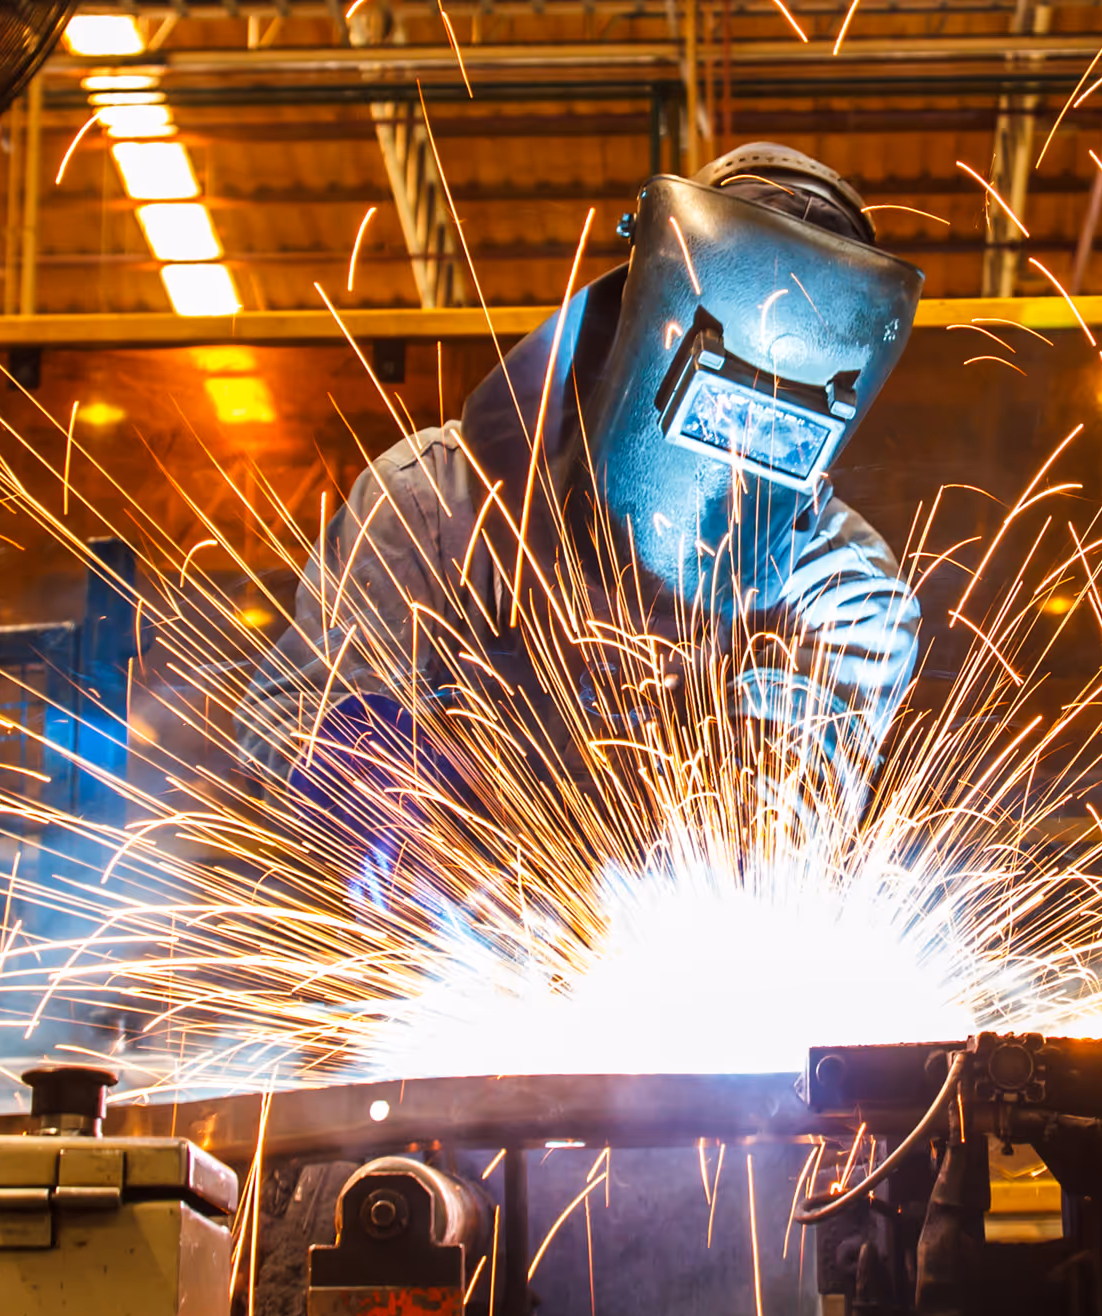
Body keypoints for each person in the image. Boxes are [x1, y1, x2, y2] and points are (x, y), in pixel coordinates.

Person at [236, 143, 926, 846]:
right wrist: (394, 801)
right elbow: (289, 718)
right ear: (646, 338)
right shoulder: (435, 502)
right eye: (721, 410)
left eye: (773, 431)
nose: (739, 441)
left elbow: (789, 798)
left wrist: (728, 868)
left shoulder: (845, 587)